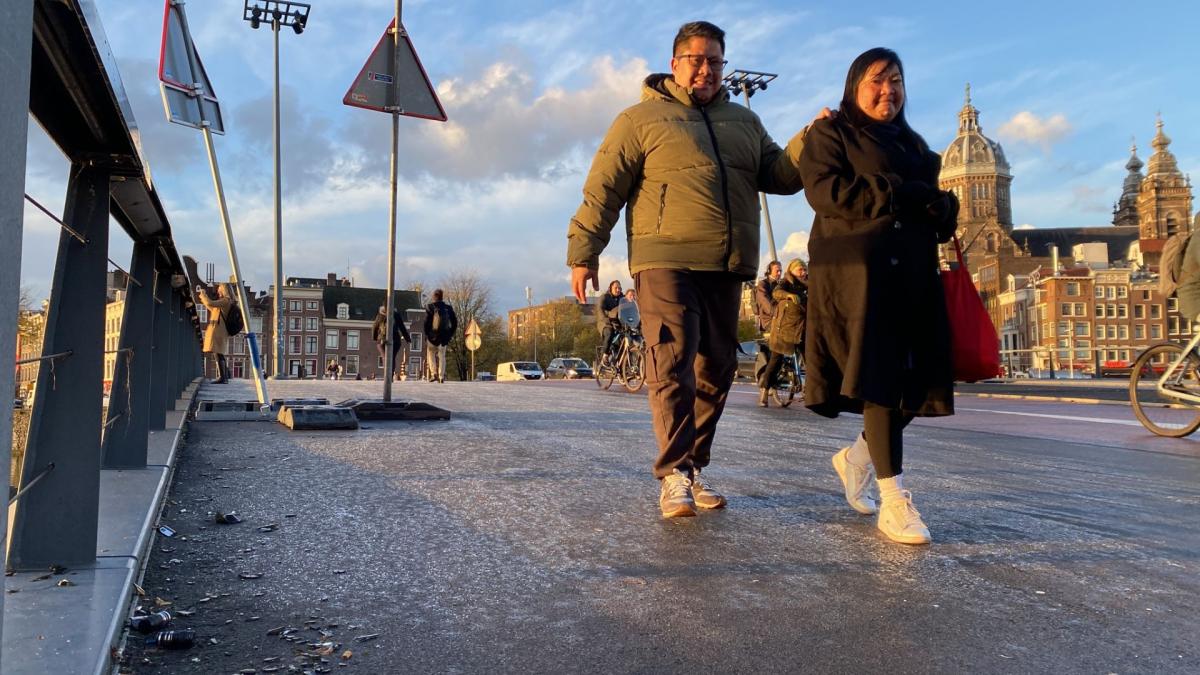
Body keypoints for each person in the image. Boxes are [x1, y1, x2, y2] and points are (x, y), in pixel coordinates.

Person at [567, 20, 816, 518]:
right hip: (665, 259)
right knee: (672, 359)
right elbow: (604, 188)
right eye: (696, 59)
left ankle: (694, 467)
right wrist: (583, 251)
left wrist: (813, 138)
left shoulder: (744, 123)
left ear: (724, 65)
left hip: (726, 264)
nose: (706, 68)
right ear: (675, 63)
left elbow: (781, 176)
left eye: (715, 60)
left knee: (718, 366)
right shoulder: (639, 120)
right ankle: (674, 473)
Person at [798, 47, 959, 545]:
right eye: (876, 81)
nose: (888, 91)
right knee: (881, 379)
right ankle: (894, 500)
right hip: (857, 277)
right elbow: (825, 193)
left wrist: (939, 207)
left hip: (912, 273)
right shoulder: (829, 134)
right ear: (854, 87)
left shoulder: (919, 149)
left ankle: (858, 458)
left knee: (924, 377)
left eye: (896, 81)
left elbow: (928, 219)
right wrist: (896, 192)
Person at [758, 259, 807, 406]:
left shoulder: (809, 284)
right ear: (791, 270)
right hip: (783, 328)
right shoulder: (785, 282)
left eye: (805, 270)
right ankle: (765, 391)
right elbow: (776, 293)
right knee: (776, 360)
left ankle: (814, 391)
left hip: (802, 327)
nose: (804, 273)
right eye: (800, 270)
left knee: (812, 358)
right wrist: (788, 295)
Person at [197, 283, 233, 384]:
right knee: (217, 352)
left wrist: (203, 294)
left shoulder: (225, 301)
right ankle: (224, 376)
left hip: (219, 330)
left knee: (218, 352)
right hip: (219, 329)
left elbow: (210, 303)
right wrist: (204, 299)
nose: (217, 291)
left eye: (219, 289)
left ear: (224, 290)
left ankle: (223, 377)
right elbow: (212, 307)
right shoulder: (224, 302)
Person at [423, 289, 457, 383]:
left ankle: (434, 374)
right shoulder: (448, 308)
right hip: (444, 337)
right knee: (442, 355)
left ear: (434, 297)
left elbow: (426, 322)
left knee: (431, 354)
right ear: (442, 297)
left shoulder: (429, 307)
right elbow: (454, 322)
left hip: (432, 336)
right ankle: (441, 376)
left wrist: (426, 334)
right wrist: (450, 334)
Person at [373, 305, 412, 381]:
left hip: (382, 340)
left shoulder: (380, 315)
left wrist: (374, 338)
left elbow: (375, 327)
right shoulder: (396, 315)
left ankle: (387, 376)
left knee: (385, 357)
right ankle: (390, 376)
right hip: (396, 339)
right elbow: (402, 327)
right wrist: (408, 338)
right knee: (392, 358)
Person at [595, 280, 624, 363]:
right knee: (609, 332)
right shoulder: (604, 297)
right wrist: (606, 319)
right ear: (610, 288)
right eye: (616, 288)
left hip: (619, 324)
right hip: (605, 323)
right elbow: (600, 309)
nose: (618, 290)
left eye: (620, 288)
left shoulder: (623, 299)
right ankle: (605, 354)